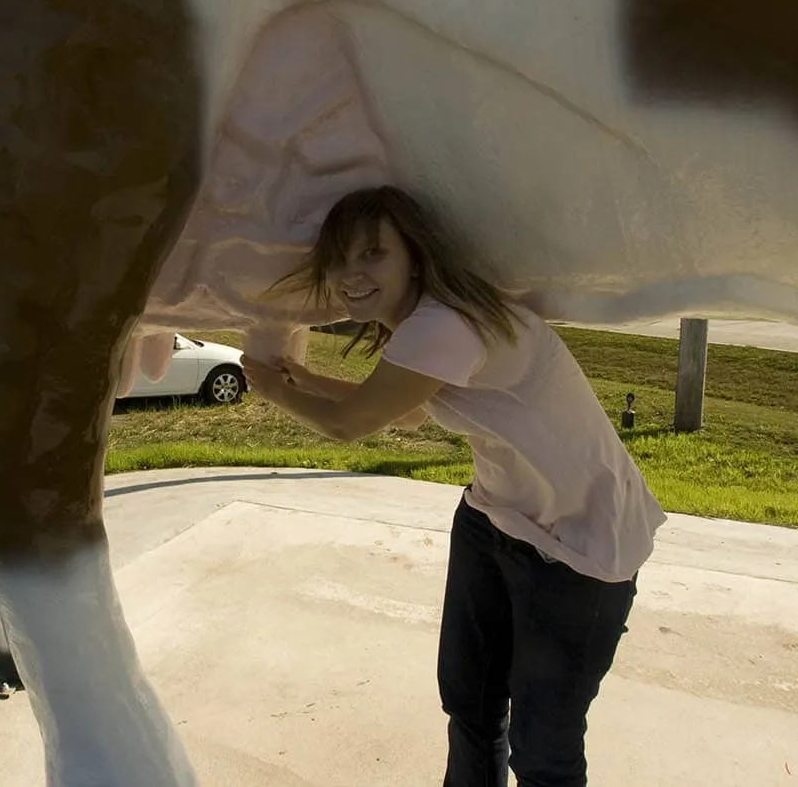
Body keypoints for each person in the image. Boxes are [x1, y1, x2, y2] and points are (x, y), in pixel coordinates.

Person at [241, 185, 666, 787]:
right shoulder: (426, 321)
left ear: (415, 253)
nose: (350, 275)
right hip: (494, 520)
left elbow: (349, 424)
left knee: (544, 750)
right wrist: (304, 376)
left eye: (372, 254)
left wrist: (274, 388)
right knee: (469, 707)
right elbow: (404, 411)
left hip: (581, 549)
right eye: (338, 259)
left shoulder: (444, 323)